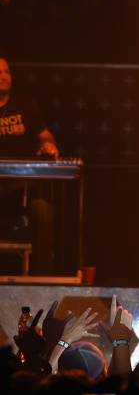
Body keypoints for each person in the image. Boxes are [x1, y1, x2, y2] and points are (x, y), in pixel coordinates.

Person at [0, 54, 59, 272]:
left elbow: (45, 136)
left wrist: (47, 145)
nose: (4, 77)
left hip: (19, 188)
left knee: (42, 209)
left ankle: (44, 277)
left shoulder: (25, 106)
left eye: (7, 72)